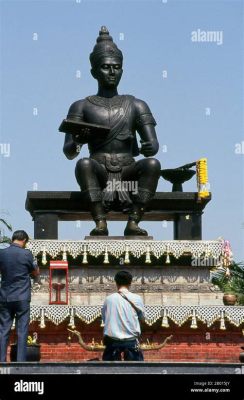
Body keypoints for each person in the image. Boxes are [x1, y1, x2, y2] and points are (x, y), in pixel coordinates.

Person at [62, 26, 161, 237]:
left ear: (122, 70)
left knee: (153, 165)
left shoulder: (136, 105)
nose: (112, 72)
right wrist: (79, 140)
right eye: (106, 67)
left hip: (128, 174)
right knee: (84, 164)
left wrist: (149, 146)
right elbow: (69, 152)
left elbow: (152, 149)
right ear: (94, 72)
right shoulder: (81, 106)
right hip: (99, 173)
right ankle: (100, 221)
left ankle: (134, 220)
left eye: (116, 67)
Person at [0, 230, 39, 362]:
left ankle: (1, 361)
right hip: (22, 296)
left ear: (13, 239)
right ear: (24, 241)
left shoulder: (2, 253)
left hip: (5, 296)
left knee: (4, 329)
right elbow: (34, 272)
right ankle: (20, 362)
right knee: (22, 331)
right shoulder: (26, 253)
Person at [101, 270, 145, 361]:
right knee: (137, 371)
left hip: (112, 342)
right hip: (131, 342)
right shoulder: (137, 299)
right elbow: (142, 318)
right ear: (130, 283)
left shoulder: (108, 300)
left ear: (116, 282)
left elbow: (105, 320)